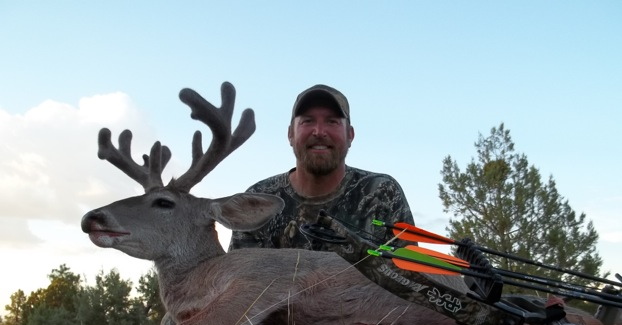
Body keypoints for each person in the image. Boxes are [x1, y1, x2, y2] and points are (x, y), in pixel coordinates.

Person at [229, 84, 415, 251]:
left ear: (350, 135)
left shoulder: (382, 193)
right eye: (307, 121)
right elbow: (238, 281)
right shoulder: (258, 200)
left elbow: (411, 280)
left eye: (332, 121)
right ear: (290, 134)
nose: (319, 132)